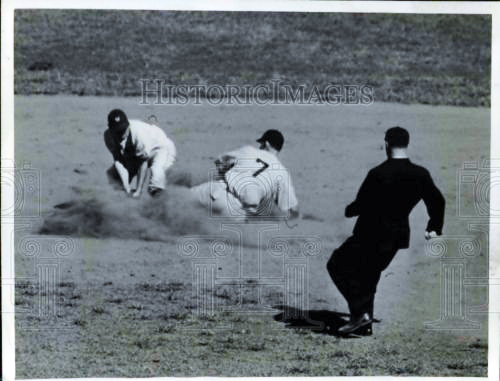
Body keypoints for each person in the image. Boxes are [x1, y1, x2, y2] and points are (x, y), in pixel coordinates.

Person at [327, 126, 445, 336]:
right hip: (396, 236)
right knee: (369, 276)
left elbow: (360, 205)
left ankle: (359, 313)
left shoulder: (378, 173)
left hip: (369, 234)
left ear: (386, 144)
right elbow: (438, 201)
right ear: (406, 144)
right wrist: (434, 227)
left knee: (337, 264)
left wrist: (347, 211)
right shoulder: (420, 174)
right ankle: (365, 325)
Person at [191, 129, 300, 221]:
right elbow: (292, 209)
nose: (260, 146)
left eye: (261, 144)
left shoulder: (249, 150)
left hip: (214, 191)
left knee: (181, 201)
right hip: (236, 212)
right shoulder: (283, 173)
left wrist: (225, 173)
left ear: (266, 144)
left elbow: (219, 161)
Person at [104, 109, 176, 198]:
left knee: (156, 180)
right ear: (110, 129)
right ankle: (126, 205)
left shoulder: (139, 134)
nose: (121, 133)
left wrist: (138, 191)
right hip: (136, 153)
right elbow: (119, 160)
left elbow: (142, 163)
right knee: (114, 176)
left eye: (123, 129)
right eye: (117, 131)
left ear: (128, 125)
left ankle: (166, 206)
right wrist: (127, 187)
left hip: (161, 149)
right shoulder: (108, 137)